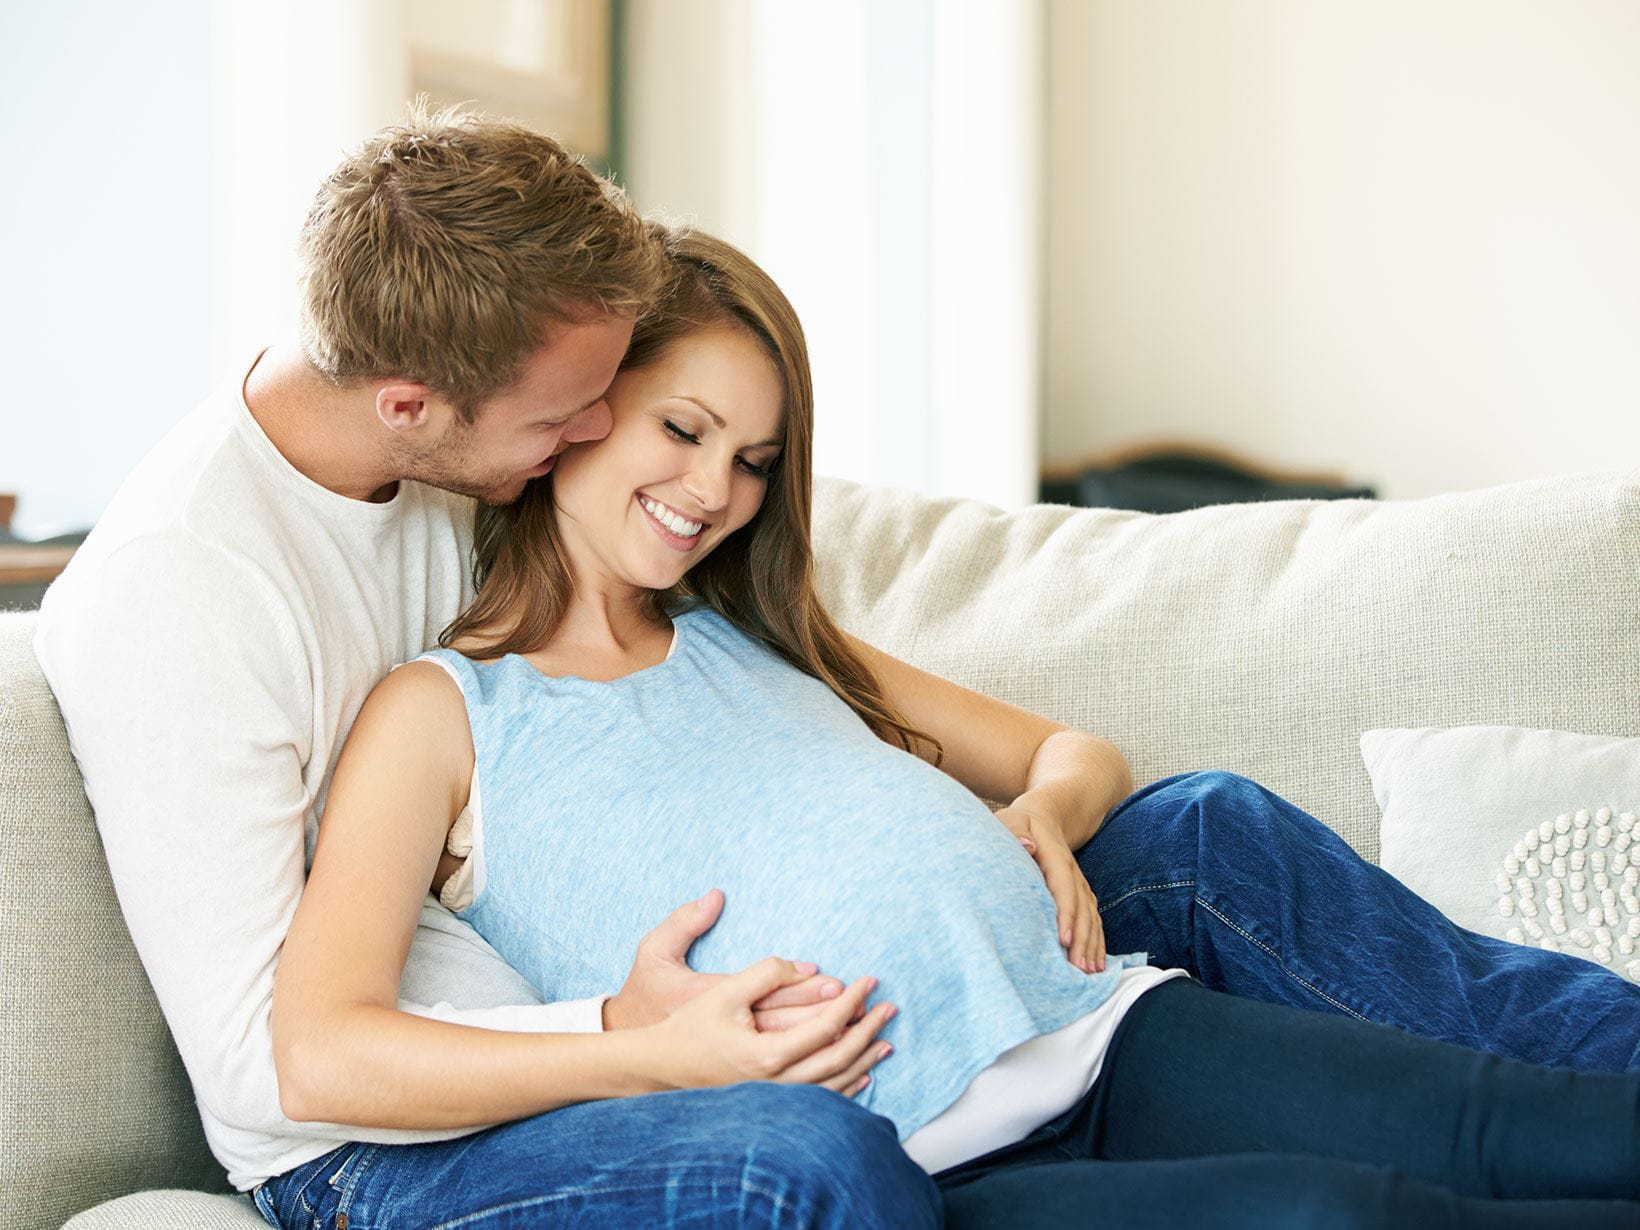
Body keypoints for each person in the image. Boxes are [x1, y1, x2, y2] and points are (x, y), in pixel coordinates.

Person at [270, 226, 1640, 1228]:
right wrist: (647, 1055)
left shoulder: (749, 632)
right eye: (682, 429)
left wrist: (1040, 821)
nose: (714, 489)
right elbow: (322, 1044)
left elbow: (1074, 754)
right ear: (573, 418)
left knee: (1503, 1123)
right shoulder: (441, 712)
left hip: (1100, 1032)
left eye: (752, 459)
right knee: (1356, 1217)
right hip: (930, 1157)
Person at [36, 107, 938, 1228]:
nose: (600, 426)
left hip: (593, 1016)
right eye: (565, 414)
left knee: (1172, 843)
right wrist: (625, 1035)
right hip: (375, 1150)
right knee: (804, 1160)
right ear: (408, 405)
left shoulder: (458, 459)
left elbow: (725, 650)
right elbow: (275, 1077)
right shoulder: (177, 599)